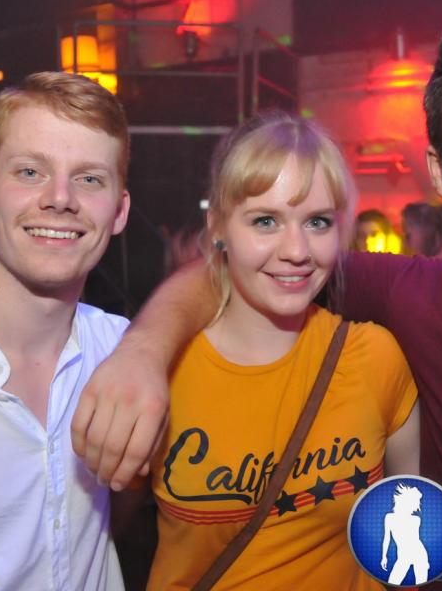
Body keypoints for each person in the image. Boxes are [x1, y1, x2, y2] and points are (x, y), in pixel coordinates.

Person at [72, 4, 442, 591]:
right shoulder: (407, 297)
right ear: (439, 172)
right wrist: (144, 351)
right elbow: (232, 270)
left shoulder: (375, 345)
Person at [136, 111, 418, 589]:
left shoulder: (376, 356)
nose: (296, 250)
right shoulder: (162, 369)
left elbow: (410, 530)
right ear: (218, 227)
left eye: (317, 222)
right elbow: (104, 532)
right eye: (265, 221)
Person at [0, 71, 131, 589]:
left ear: (119, 211)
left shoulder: (123, 350)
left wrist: (149, 348)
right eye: (30, 172)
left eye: (90, 179)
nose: (60, 198)